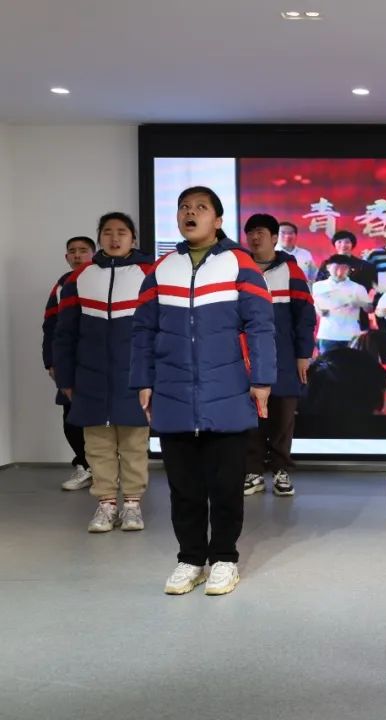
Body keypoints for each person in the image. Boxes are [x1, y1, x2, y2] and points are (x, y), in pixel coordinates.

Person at [132, 186, 276, 597]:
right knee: (184, 488)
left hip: (228, 392)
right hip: (173, 393)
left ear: (218, 219)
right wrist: (143, 380)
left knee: (226, 487)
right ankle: (191, 559)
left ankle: (224, 559)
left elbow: (261, 326)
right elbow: (143, 330)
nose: (190, 213)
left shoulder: (239, 264)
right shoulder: (162, 269)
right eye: (184, 207)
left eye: (200, 207)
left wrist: (262, 381)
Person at [53, 213, 153, 532]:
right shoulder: (80, 277)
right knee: (97, 446)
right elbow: (64, 333)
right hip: (91, 378)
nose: (114, 237)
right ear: (99, 238)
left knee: (134, 444)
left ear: (133, 239)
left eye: (122, 232)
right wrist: (65, 378)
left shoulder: (149, 274)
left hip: (134, 378)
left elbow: (160, 330)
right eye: (107, 232)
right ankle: (106, 504)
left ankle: (132, 505)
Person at [242, 213, 316, 498]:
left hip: (284, 355)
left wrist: (303, 354)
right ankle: (253, 471)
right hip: (248, 357)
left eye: (260, 232)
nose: (255, 237)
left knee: (283, 416)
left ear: (274, 238)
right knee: (251, 416)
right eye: (251, 232)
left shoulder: (291, 271)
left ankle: (281, 470)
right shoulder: (240, 268)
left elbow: (305, 316)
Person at [43, 235, 95, 490]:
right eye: (72, 251)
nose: (77, 255)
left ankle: (108, 469)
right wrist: (50, 362)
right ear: (66, 257)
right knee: (71, 418)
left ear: (94, 254)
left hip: (98, 362)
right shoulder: (62, 285)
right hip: (70, 363)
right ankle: (85, 467)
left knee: (102, 421)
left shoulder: (101, 280)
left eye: (83, 250)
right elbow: (50, 325)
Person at [312, 255, 372, 355]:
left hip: (351, 335)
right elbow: (315, 305)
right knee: (327, 363)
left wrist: (359, 303)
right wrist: (319, 311)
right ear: (328, 267)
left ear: (349, 270)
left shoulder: (357, 287)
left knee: (351, 363)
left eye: (344, 268)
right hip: (327, 334)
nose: (339, 272)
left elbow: (369, 309)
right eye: (336, 268)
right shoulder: (318, 286)